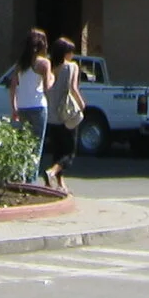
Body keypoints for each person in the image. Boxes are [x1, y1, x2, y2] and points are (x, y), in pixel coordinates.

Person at [3, 29, 52, 183]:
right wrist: (52, 78)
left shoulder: (20, 64)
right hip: (38, 106)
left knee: (24, 144)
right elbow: (46, 87)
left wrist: (14, 108)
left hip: (23, 107)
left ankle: (20, 176)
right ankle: (31, 180)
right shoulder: (44, 63)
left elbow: (12, 87)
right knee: (36, 146)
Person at [43, 36, 87, 192]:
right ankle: (52, 172)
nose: (72, 55)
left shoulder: (49, 66)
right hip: (66, 115)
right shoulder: (72, 67)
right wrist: (82, 104)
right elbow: (73, 87)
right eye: (71, 51)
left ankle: (57, 184)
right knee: (69, 152)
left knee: (57, 150)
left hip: (51, 115)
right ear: (66, 53)